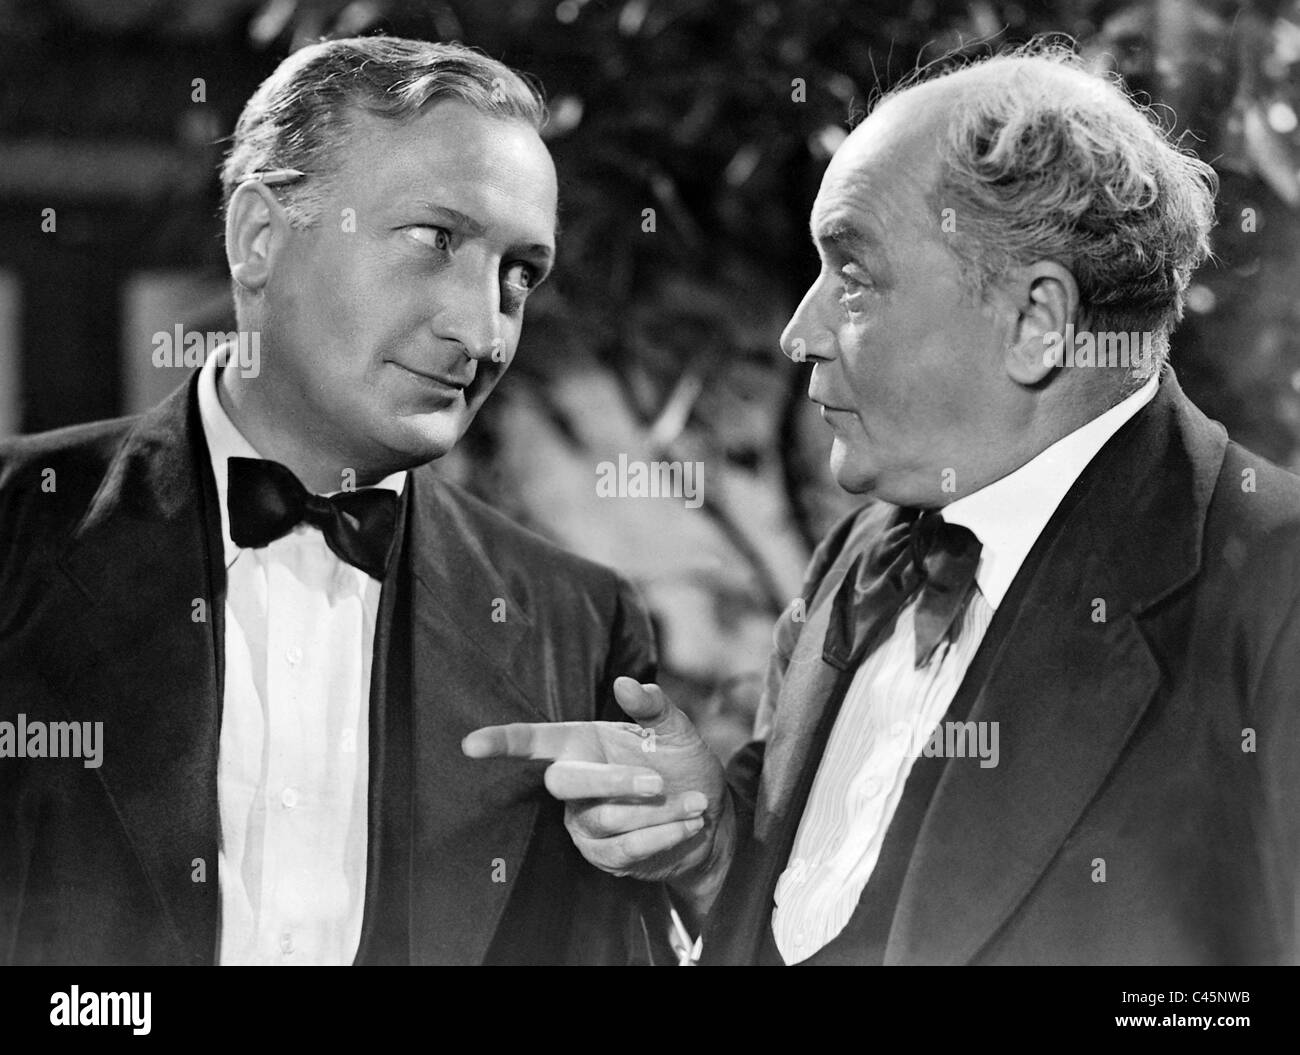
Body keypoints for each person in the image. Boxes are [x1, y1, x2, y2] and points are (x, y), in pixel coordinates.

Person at [465, 43, 1300, 965]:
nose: (798, 332)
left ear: (1035, 322)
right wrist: (707, 847)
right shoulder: (861, 554)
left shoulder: (1276, 591)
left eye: (852, 277)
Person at [0, 36, 662, 966]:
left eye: (521, 273)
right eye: (437, 239)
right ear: (259, 238)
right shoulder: (15, 532)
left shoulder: (578, 629)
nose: (481, 330)